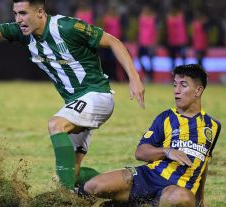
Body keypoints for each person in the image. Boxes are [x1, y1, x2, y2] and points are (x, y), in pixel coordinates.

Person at [0, 0, 145, 190]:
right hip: (77, 102)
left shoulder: (67, 27)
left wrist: (134, 78)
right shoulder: (22, 32)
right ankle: (127, 190)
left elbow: (113, 42)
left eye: (23, 13)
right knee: (69, 175)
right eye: (15, 14)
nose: (18, 19)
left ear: (40, 12)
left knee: (56, 124)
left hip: (97, 95)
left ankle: (66, 200)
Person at [78, 64, 221, 206]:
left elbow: (203, 163)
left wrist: (200, 202)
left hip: (176, 190)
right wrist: (167, 151)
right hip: (148, 176)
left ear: (198, 90)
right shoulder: (165, 118)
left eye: (183, 85)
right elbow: (140, 152)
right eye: (175, 85)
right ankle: (69, 198)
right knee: (93, 186)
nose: (176, 91)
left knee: (180, 199)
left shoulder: (213, 126)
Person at [137, 5, 158, 82]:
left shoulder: (153, 19)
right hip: (142, 42)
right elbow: (140, 30)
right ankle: (146, 73)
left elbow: (154, 31)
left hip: (150, 43)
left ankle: (150, 76)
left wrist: (154, 42)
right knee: (140, 58)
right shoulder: (141, 18)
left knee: (151, 61)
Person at [165, 4, 188, 70]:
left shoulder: (171, 19)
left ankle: (178, 72)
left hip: (176, 41)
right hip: (177, 41)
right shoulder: (180, 18)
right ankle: (182, 72)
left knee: (175, 58)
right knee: (177, 58)